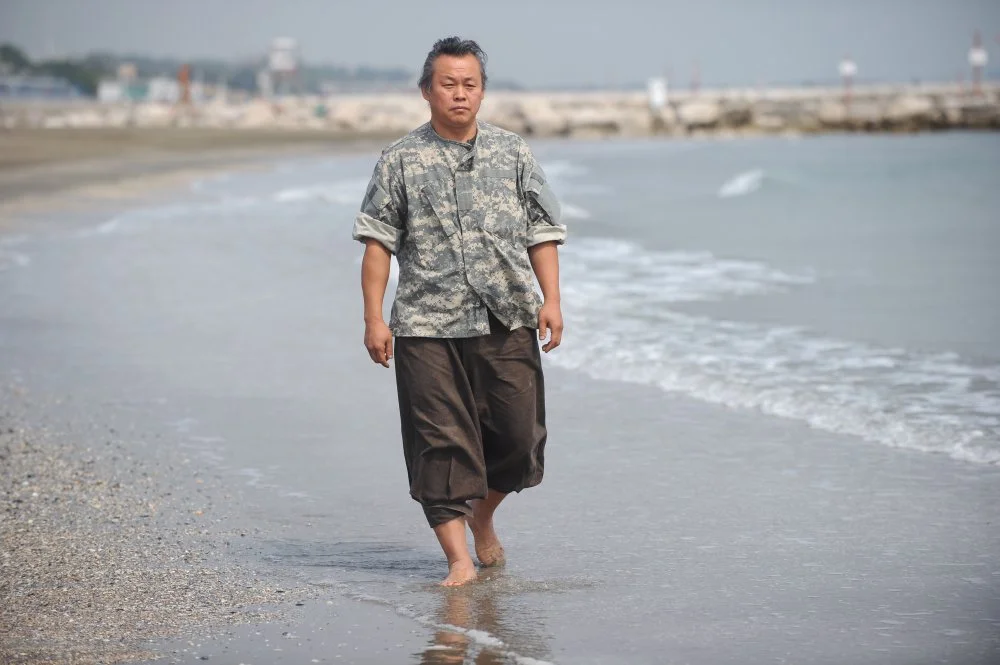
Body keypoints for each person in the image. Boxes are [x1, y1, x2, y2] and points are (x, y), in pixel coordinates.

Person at [353, 36, 566, 586]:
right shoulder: (399, 159)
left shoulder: (513, 153)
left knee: (519, 442)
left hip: (507, 316)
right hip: (426, 325)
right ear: (427, 91)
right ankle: (458, 560)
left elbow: (542, 231)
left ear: (483, 92)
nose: (459, 94)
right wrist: (375, 318)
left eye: (469, 84)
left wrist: (552, 301)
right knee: (441, 444)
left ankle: (484, 517)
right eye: (448, 84)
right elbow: (377, 244)